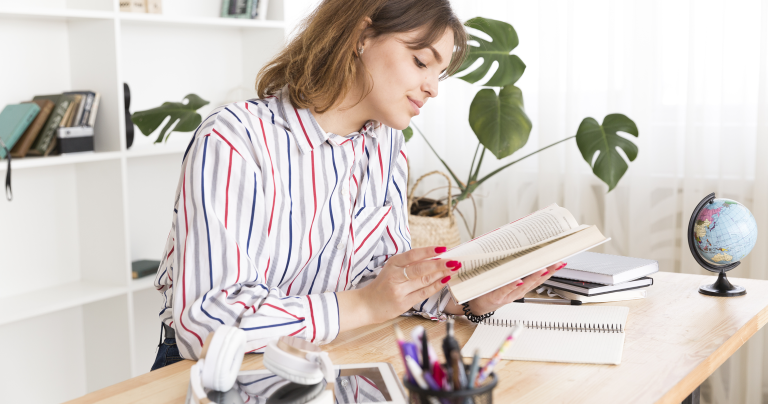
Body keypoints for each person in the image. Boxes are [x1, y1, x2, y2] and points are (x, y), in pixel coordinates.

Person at [151, 0, 563, 371]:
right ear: (362, 35)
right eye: (421, 61)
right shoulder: (235, 139)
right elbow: (207, 324)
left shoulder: (385, 144)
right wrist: (364, 305)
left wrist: (468, 298)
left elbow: (382, 278)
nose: (433, 88)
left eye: (440, 74)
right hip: (216, 371)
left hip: (329, 359)